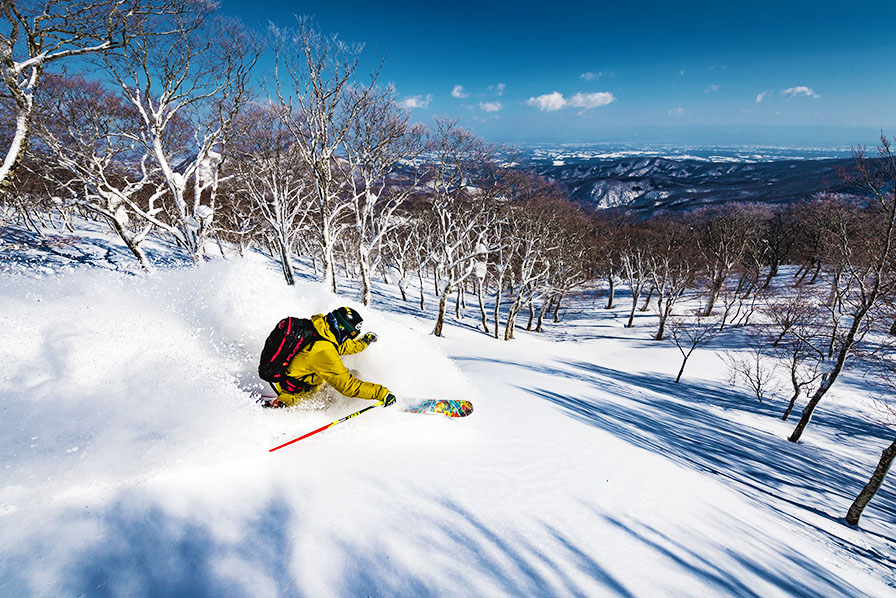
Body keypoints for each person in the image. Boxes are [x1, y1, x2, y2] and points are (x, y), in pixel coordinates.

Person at [262, 306, 396, 409]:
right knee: (350, 380)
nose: (348, 339)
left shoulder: (321, 330)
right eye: (349, 336)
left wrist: (364, 342)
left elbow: (340, 347)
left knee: (351, 373)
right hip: (298, 395)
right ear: (343, 330)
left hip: (293, 380)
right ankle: (283, 403)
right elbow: (348, 386)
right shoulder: (324, 352)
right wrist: (381, 393)